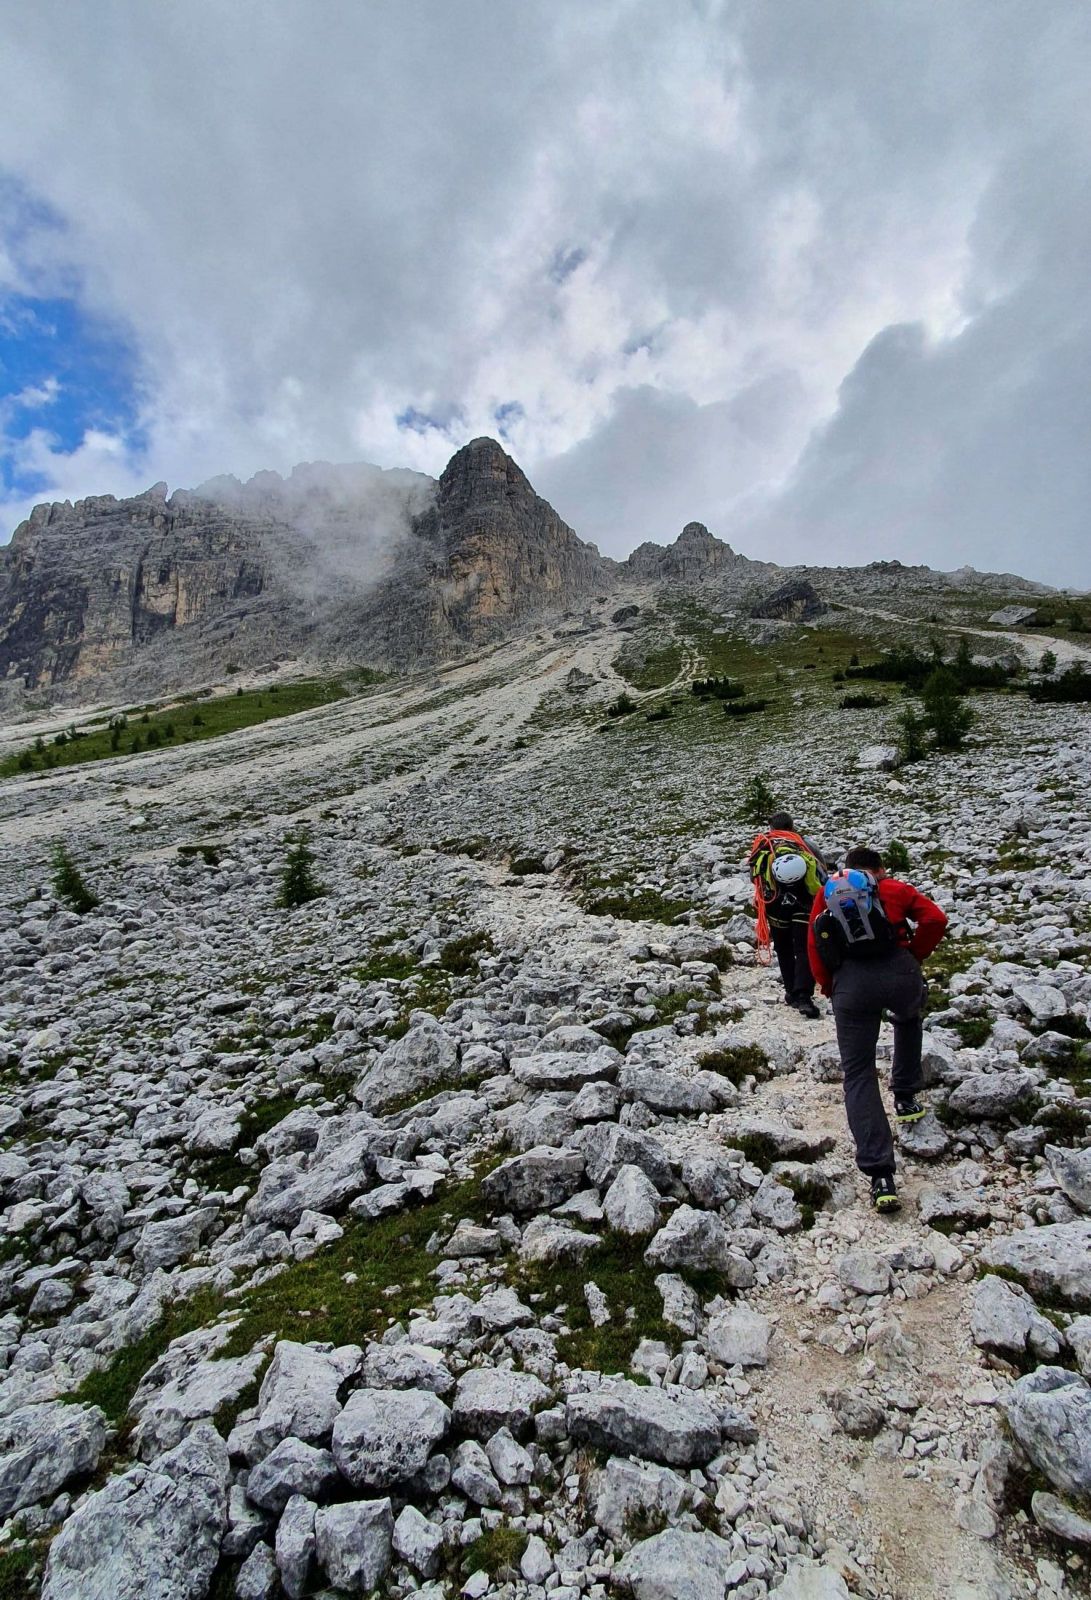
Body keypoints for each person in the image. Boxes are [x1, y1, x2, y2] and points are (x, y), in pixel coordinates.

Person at [808, 845, 948, 1213]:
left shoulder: (827, 894)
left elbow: (814, 944)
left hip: (852, 984)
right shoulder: (896, 889)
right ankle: (905, 1095)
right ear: (879, 869)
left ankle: (880, 1175)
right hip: (900, 971)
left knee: (858, 1073)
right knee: (907, 1020)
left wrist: (830, 986)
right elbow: (935, 920)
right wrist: (914, 956)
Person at [749, 811, 829, 1019]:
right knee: (804, 949)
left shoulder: (763, 846)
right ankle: (804, 995)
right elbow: (822, 871)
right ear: (792, 826)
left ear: (771, 827)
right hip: (804, 903)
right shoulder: (804, 844)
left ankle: (790, 991)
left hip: (775, 904)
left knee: (784, 949)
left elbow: (754, 875)